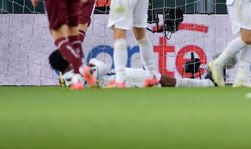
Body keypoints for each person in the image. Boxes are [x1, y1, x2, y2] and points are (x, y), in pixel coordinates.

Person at [49, 50, 214, 88]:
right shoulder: (76, 75)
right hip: (121, 79)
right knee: (161, 80)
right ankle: (208, 84)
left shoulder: (65, 79)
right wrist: (93, 61)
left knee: (160, 80)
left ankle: (207, 83)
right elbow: (103, 66)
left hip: (117, 79)